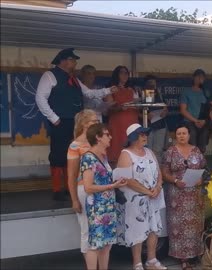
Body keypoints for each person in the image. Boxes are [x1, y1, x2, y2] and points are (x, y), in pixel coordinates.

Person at [35, 48, 117, 201]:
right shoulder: (50, 76)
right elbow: (40, 98)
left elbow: (89, 93)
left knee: (73, 154)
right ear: (64, 60)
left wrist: (107, 90)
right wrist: (54, 118)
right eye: (73, 60)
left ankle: (69, 187)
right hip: (61, 121)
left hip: (76, 123)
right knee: (58, 154)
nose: (75, 63)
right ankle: (57, 189)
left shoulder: (74, 79)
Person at [116, 123, 168, 270]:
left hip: (153, 196)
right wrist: (146, 191)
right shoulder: (125, 154)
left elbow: (158, 172)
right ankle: (137, 263)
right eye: (141, 134)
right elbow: (127, 179)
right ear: (133, 137)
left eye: (145, 134)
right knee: (136, 229)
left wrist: (157, 187)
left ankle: (151, 260)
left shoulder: (149, 151)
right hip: (135, 199)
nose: (145, 136)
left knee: (154, 228)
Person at [81, 123, 127, 270]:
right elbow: (88, 187)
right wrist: (111, 186)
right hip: (97, 206)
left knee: (107, 243)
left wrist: (116, 182)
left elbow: (104, 179)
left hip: (108, 204)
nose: (110, 137)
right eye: (107, 134)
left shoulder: (104, 157)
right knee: (95, 243)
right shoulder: (88, 158)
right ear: (98, 137)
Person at [161, 124, 207, 270]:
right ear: (176, 136)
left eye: (184, 133)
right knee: (179, 226)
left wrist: (201, 179)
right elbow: (164, 172)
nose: (181, 136)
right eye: (179, 133)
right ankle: (183, 258)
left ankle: (195, 254)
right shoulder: (170, 152)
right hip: (177, 194)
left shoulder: (196, 150)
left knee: (195, 224)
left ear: (189, 135)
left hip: (194, 193)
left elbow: (203, 168)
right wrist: (175, 181)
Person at [67, 109, 100, 261]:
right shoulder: (75, 145)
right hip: (84, 191)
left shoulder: (97, 141)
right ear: (84, 124)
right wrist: (74, 199)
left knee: (99, 230)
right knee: (86, 230)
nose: (97, 123)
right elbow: (72, 175)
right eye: (94, 121)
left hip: (100, 190)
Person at [105, 65, 140, 164]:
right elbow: (107, 108)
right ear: (116, 74)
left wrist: (136, 104)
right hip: (118, 123)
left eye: (126, 73)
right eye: (122, 73)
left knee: (132, 144)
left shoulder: (132, 89)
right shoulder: (110, 89)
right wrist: (120, 107)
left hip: (132, 121)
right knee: (118, 146)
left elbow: (137, 105)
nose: (125, 75)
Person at [179, 69, 209, 153]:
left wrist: (204, 120)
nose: (200, 79)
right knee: (192, 143)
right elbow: (183, 110)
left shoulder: (206, 92)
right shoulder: (186, 92)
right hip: (189, 122)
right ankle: (192, 164)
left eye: (202, 77)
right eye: (198, 76)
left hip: (203, 122)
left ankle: (201, 164)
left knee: (202, 147)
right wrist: (195, 121)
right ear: (193, 78)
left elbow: (209, 109)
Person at [145, 75, 170, 161]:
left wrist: (165, 112)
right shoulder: (144, 93)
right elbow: (138, 112)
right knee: (148, 151)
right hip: (148, 126)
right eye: (151, 83)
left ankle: (157, 172)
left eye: (154, 83)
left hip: (160, 125)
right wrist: (145, 115)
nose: (153, 85)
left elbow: (166, 108)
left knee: (158, 151)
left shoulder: (160, 93)